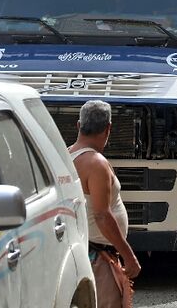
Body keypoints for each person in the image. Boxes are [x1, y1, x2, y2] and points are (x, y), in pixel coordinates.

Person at [68, 100, 141, 308]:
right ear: (108, 128)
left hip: (85, 250)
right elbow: (102, 215)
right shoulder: (96, 163)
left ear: (78, 125)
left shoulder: (67, 154)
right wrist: (129, 256)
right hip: (98, 257)